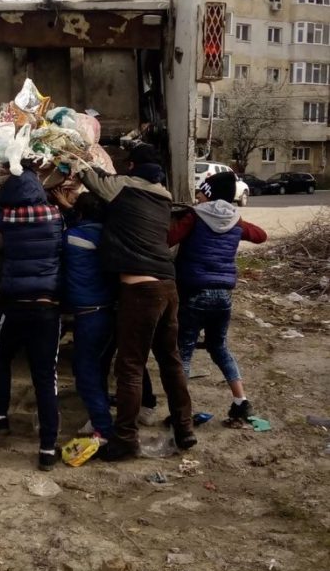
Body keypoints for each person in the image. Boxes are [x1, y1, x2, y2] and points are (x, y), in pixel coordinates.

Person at [80, 143, 195, 461]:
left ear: (131, 166)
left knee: (130, 366)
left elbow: (90, 179)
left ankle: (126, 439)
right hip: (168, 286)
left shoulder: (123, 185)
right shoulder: (164, 194)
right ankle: (185, 430)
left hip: (140, 290)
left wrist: (78, 158)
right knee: (170, 361)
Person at [0, 168, 64, 470]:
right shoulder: (56, 217)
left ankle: (0, 418)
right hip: (46, 306)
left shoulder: (10, 219)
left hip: (15, 305)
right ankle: (47, 447)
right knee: (45, 375)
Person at [168, 170, 267, 424]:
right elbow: (261, 236)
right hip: (223, 295)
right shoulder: (237, 221)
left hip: (195, 292)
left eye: (200, 192)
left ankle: (182, 413)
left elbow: (169, 238)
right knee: (219, 346)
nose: (198, 197)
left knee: (185, 350)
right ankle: (241, 402)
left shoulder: (194, 217)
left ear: (208, 194)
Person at [62, 193, 117, 440]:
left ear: (80, 214)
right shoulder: (111, 234)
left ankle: (103, 429)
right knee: (100, 368)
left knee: (85, 373)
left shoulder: (72, 238)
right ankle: (100, 417)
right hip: (110, 311)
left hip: (89, 315)